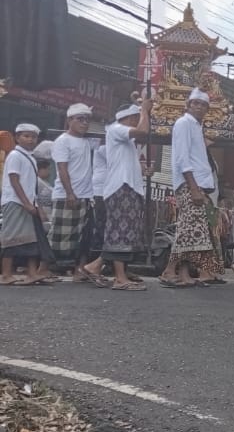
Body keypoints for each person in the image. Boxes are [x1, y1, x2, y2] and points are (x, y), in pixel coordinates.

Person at [165, 88, 224, 287]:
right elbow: (182, 159)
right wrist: (193, 188)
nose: (199, 107)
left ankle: (181, 273)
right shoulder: (183, 123)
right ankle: (170, 271)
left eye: (203, 105)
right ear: (188, 105)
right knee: (188, 229)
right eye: (195, 103)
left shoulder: (196, 127)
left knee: (193, 231)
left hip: (199, 184)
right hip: (190, 184)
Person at [95, 101, 152, 291]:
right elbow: (143, 131)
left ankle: (94, 267)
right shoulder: (116, 129)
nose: (138, 121)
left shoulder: (124, 138)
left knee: (125, 233)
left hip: (128, 187)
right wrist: (145, 110)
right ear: (128, 117)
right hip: (121, 187)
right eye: (136, 117)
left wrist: (141, 170)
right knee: (120, 233)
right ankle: (119, 278)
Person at [1, 124, 55, 285]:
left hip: (29, 203)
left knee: (32, 239)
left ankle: (32, 273)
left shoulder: (30, 157)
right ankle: (6, 274)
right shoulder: (15, 155)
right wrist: (26, 203)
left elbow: (31, 185)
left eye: (33, 137)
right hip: (15, 202)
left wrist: (36, 206)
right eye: (26, 136)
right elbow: (14, 180)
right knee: (11, 239)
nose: (30, 139)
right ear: (17, 138)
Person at [49, 103, 96, 278]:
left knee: (82, 236)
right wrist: (70, 193)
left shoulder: (88, 141)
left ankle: (79, 269)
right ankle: (45, 268)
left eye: (87, 119)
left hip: (86, 195)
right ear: (70, 120)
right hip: (66, 195)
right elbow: (62, 169)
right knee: (59, 235)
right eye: (80, 119)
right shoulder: (63, 141)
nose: (84, 123)